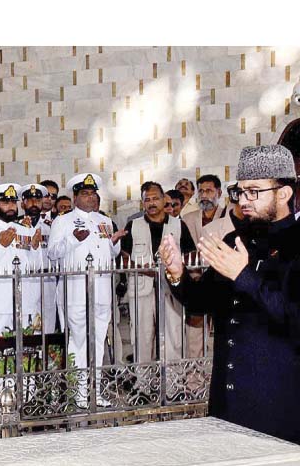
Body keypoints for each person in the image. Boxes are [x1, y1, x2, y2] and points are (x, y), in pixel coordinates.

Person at [160, 145, 300, 444]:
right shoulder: (235, 240)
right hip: (228, 401)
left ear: (284, 194)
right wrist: (176, 272)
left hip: (279, 407)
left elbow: (293, 318)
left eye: (254, 192)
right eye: (240, 192)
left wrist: (244, 276)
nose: (244, 201)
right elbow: (201, 301)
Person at [48, 173, 126, 408]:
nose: (91, 198)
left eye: (94, 194)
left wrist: (114, 242)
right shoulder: (64, 221)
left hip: (102, 289)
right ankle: (77, 390)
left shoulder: (105, 221)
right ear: (75, 197)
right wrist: (73, 240)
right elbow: (52, 253)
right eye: (85, 193)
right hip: (75, 290)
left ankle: (94, 390)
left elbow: (109, 253)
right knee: (78, 341)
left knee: (99, 341)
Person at [120, 181, 195, 363]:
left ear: (164, 200)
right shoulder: (133, 225)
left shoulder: (178, 225)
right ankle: (144, 386)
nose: (152, 203)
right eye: (147, 200)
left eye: (155, 198)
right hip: (141, 289)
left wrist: (174, 267)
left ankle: (172, 385)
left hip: (172, 289)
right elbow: (124, 258)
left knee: (173, 335)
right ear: (142, 203)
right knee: (141, 337)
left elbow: (191, 254)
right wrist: (147, 271)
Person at [0, 183, 45, 337]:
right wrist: (0, 245)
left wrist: (35, 247)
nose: (11, 206)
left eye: (13, 202)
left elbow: (36, 266)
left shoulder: (26, 230)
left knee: (28, 351)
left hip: (25, 302)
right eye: (6, 203)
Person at [182, 174, 226, 358]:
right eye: (201, 191)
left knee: (224, 331)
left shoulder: (229, 214)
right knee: (195, 333)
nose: (204, 195)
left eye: (209, 190)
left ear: (219, 192)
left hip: (223, 280)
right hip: (197, 281)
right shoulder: (188, 218)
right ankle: (194, 382)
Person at [20, 183, 58, 334]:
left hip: (48, 278)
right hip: (26, 280)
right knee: (28, 324)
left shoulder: (51, 226)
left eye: (37, 200)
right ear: (23, 203)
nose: (34, 204)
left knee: (48, 323)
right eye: (29, 200)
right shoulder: (16, 226)